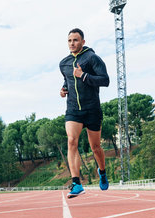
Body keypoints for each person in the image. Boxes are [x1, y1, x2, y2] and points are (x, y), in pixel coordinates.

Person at [59, 28, 110, 198]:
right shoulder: (63, 63)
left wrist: (83, 75)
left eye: (75, 40)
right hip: (73, 109)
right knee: (71, 141)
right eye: (69, 40)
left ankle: (102, 172)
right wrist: (64, 89)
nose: (72, 43)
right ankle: (76, 183)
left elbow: (105, 80)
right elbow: (67, 80)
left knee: (95, 147)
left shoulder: (92, 58)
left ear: (83, 42)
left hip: (92, 108)